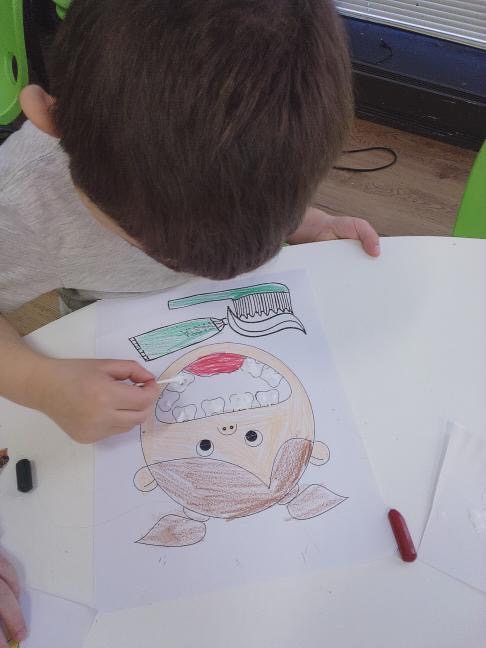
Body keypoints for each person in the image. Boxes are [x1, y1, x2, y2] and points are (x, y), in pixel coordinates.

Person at [0, 1, 381, 639]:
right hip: (95, 365)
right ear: (49, 118)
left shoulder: (254, 128)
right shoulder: (26, 201)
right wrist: (40, 383)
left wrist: (306, 223)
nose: (195, 266)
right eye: (158, 246)